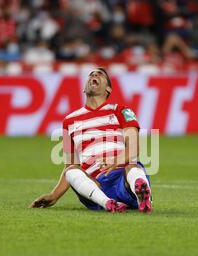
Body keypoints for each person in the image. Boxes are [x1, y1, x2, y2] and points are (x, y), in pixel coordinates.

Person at [29, 68, 152, 213]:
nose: (94, 75)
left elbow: (134, 147)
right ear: (84, 88)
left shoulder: (120, 111)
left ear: (108, 89)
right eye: (91, 75)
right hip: (95, 184)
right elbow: (71, 163)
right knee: (71, 170)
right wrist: (54, 195)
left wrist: (116, 161)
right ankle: (109, 203)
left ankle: (141, 195)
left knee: (133, 167)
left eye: (99, 74)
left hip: (121, 177)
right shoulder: (69, 121)